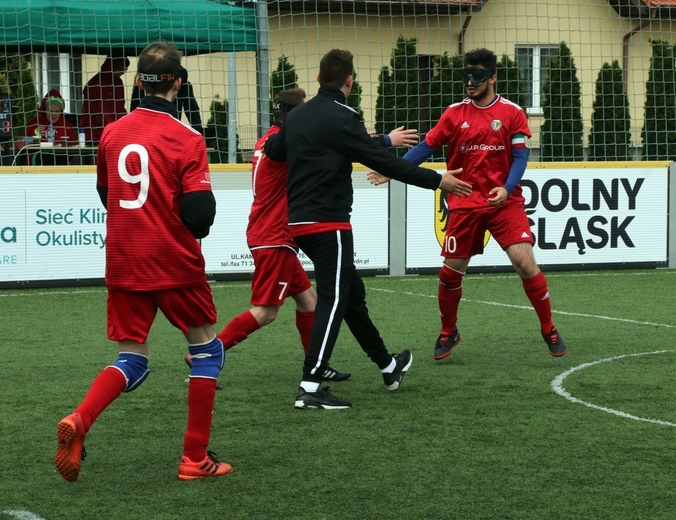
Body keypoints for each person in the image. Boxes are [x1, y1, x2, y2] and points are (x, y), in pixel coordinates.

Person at [55, 41, 231, 482]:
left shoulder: (112, 132)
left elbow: (105, 196)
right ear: (178, 82)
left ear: (138, 82)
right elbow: (200, 217)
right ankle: (195, 460)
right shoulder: (188, 138)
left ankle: (80, 420)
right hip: (171, 260)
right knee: (207, 350)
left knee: (131, 358)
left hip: (124, 258)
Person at [264, 49, 472, 410]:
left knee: (351, 296)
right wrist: (438, 180)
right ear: (349, 80)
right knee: (333, 298)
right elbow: (378, 160)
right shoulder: (345, 116)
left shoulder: (298, 116)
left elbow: (274, 150)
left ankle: (388, 366)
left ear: (317, 79)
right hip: (329, 222)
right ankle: (310, 386)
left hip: (298, 222)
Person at [187, 88, 420, 383]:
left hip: (272, 230)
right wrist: (384, 140)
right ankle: (205, 353)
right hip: (277, 234)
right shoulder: (291, 142)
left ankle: (318, 366)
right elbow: (325, 146)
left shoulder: (266, 140)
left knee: (309, 301)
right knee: (267, 311)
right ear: (297, 114)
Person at [370, 47, 567, 360]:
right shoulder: (454, 113)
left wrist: (507, 188)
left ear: (492, 78)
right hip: (463, 200)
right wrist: (393, 170)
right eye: (466, 76)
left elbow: (520, 156)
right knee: (451, 272)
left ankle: (548, 326)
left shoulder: (512, 112)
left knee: (525, 262)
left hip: (505, 200)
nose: (469, 83)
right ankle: (449, 330)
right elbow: (427, 147)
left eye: (476, 76)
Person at [131, 66, 203, 134]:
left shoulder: (183, 84)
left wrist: (199, 133)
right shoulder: (146, 81)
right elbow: (134, 107)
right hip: (147, 126)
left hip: (171, 127)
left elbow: (193, 112)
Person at [78, 50, 130, 145]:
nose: (122, 73)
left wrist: (126, 125)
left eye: (125, 70)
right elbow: (102, 113)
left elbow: (120, 109)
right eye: (121, 69)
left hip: (113, 131)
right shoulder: (95, 85)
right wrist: (117, 131)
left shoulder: (118, 83)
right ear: (112, 66)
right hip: (94, 135)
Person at [21, 90, 77, 165]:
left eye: (56, 112)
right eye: (50, 111)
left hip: (60, 161)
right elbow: (21, 144)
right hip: (38, 160)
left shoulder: (66, 125)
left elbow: (74, 148)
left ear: (61, 112)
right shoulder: (34, 123)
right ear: (44, 110)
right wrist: (34, 134)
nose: (53, 115)